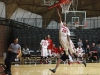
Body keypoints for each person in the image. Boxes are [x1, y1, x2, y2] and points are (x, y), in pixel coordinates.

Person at [49, 8, 86, 73]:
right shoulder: (61, 25)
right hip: (62, 39)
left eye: (65, 22)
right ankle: (55, 69)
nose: (64, 22)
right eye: (64, 22)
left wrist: (69, 42)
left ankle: (80, 60)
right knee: (60, 59)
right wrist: (57, 10)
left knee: (71, 53)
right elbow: (59, 17)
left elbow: (68, 36)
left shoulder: (67, 29)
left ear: (66, 24)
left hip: (65, 40)